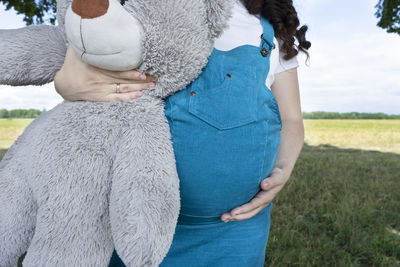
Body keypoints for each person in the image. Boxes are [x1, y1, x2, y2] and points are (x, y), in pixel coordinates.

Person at [54, 0, 310, 265]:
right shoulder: (138, 6)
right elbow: (75, 57)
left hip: (234, 231)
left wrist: (283, 168)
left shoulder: (271, 30)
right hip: (130, 221)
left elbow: (291, 118)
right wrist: (65, 85)